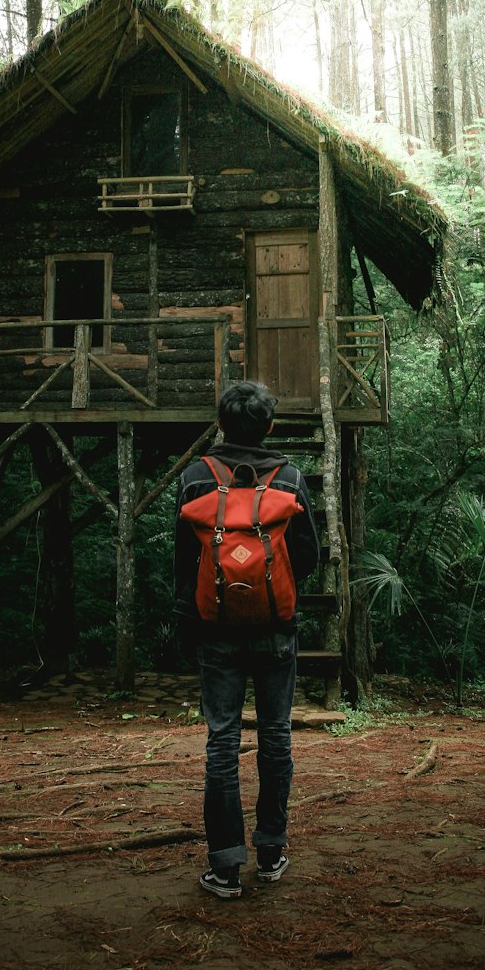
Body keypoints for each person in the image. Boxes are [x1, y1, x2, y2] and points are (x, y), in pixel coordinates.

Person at [174, 380, 320, 899]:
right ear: (270, 428)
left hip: (215, 630)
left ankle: (225, 866)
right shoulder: (292, 479)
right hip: (276, 627)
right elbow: (308, 558)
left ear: (220, 425)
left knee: (221, 742)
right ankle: (273, 850)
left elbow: (182, 564)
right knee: (276, 735)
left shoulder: (194, 479)